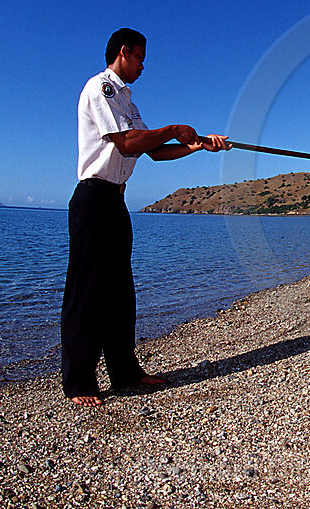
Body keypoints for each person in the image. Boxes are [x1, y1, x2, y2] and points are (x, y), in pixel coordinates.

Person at [62, 27, 228, 407]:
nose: (142, 66)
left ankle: (125, 372)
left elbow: (153, 151)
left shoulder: (129, 104)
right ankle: (79, 382)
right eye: (140, 57)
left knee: (120, 290)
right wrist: (173, 128)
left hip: (116, 202)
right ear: (123, 52)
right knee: (86, 290)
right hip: (92, 198)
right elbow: (126, 143)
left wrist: (201, 145)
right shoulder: (99, 89)